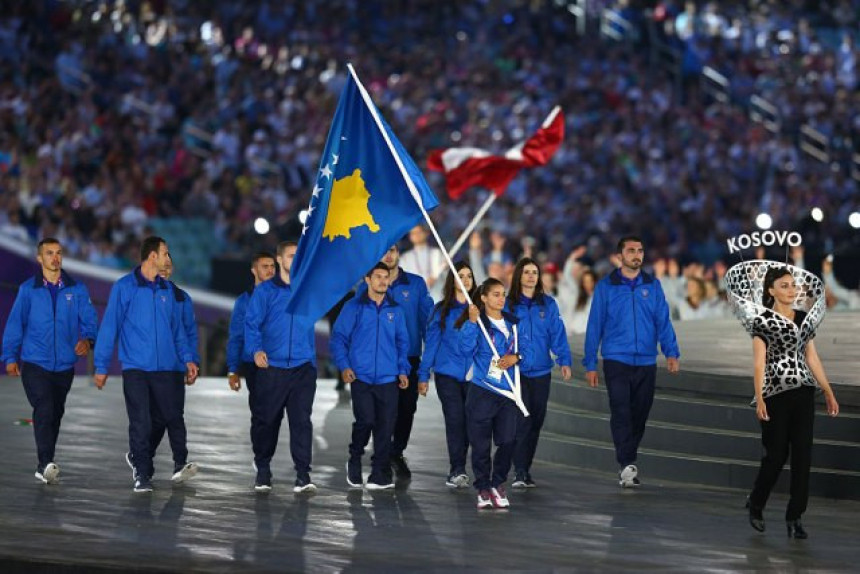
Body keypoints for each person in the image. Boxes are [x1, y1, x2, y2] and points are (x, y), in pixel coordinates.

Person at [740, 265, 839, 538]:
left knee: (803, 455)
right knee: (775, 455)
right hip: (774, 394)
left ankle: (795, 516)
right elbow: (759, 362)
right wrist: (759, 398)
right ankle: (756, 502)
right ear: (771, 290)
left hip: (803, 393)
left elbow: (812, 357)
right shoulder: (763, 321)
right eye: (784, 285)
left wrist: (828, 391)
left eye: (793, 285)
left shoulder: (803, 318)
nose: (791, 289)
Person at [93, 236, 198, 493]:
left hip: (166, 369)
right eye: (165, 253)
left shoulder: (168, 291)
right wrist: (101, 365)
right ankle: (142, 473)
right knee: (140, 420)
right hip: (136, 367)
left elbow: (178, 331)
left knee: (165, 418)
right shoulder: (124, 287)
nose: (168, 257)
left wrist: (188, 359)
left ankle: (160, 462)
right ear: (153, 256)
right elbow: (110, 327)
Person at [583, 236, 680, 488]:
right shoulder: (606, 287)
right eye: (631, 250)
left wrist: (671, 352)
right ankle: (627, 463)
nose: (637, 254)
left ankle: (627, 459)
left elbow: (663, 321)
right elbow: (595, 326)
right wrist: (590, 363)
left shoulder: (653, 285)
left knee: (640, 412)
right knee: (621, 410)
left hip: (647, 360)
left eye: (640, 250)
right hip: (616, 359)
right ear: (620, 256)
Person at [2, 238, 98, 484]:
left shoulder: (77, 289)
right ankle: (45, 463)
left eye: (58, 253)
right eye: (49, 253)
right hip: (35, 363)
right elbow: (15, 324)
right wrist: (10, 357)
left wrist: (88, 341)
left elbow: (90, 321)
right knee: (44, 407)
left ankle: (45, 464)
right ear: (39, 258)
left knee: (55, 413)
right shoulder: (28, 289)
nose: (55, 258)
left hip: (65, 365)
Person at [244, 241, 318, 493]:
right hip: (272, 367)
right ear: (279, 259)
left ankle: (303, 474)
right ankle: (263, 469)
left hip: (302, 368)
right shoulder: (265, 292)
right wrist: (255, 351)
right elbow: (251, 324)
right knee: (267, 421)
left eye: (299, 255)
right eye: (290, 255)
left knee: (301, 421)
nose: (295, 260)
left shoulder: (307, 290)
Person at [331, 263, 410, 491]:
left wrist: (403, 370)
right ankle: (355, 459)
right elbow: (338, 339)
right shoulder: (353, 307)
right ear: (367, 279)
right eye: (378, 277)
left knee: (386, 427)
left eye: (386, 277)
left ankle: (380, 473)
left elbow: (402, 343)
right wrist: (344, 366)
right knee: (366, 421)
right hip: (361, 377)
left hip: (388, 378)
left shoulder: (395, 310)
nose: (383, 281)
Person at [459, 277, 532, 509]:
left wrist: (516, 357)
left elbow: (529, 350)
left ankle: (498, 482)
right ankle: (482, 486)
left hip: (508, 393)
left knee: (508, 440)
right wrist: (471, 323)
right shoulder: (477, 323)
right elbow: (465, 350)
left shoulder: (515, 324)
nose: (501, 299)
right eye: (495, 294)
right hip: (482, 390)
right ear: (483, 298)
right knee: (480, 444)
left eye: (503, 294)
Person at [365, 244, 433, 479]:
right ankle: (381, 454)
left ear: (398, 254)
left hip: (410, 358)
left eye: (392, 249)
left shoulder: (415, 284)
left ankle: (396, 452)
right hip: (378, 360)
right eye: (384, 249)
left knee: (406, 409)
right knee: (381, 409)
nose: (388, 254)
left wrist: (428, 362)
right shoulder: (368, 283)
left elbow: (428, 323)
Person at [505, 258, 572, 488]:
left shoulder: (548, 304)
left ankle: (525, 468)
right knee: (523, 420)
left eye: (535, 272)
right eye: (527, 272)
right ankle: (520, 471)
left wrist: (564, 360)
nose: (531, 276)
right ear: (519, 276)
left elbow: (557, 334)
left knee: (536, 421)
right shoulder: (508, 305)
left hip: (542, 371)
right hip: (518, 371)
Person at [417, 261, 477, 488]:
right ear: (453, 281)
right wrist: (423, 376)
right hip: (447, 375)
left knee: (471, 423)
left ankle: (461, 465)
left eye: (469, 276)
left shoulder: (480, 309)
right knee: (455, 419)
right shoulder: (441, 310)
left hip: (474, 377)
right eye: (461, 275)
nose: (466, 279)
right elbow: (431, 344)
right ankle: (457, 469)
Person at [153, 255, 200, 484]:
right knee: (156, 418)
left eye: (169, 265)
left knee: (173, 415)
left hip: (173, 367)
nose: (165, 268)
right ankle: (141, 456)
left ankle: (180, 461)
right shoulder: (142, 294)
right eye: (162, 264)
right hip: (147, 367)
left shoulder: (182, 298)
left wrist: (192, 361)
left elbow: (190, 333)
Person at [226, 251, 276, 441]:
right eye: (265, 267)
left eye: (272, 266)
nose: (270, 270)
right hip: (253, 365)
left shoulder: (284, 298)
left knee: (275, 413)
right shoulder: (243, 301)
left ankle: (264, 453)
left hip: (279, 363)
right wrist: (233, 369)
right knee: (260, 412)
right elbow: (236, 336)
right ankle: (261, 457)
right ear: (254, 270)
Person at [399, 224, 447, 300]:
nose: (416, 235)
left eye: (419, 232)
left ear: (426, 233)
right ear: (410, 236)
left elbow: (446, 276)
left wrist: (444, 270)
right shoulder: (405, 258)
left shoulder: (437, 253)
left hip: (438, 298)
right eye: (413, 233)